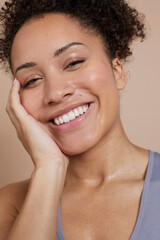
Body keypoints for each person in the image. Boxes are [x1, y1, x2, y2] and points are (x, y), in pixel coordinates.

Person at [0, 0, 160, 239]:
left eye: (73, 63)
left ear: (117, 72)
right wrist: (49, 168)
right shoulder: (11, 203)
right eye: (31, 80)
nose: (55, 93)